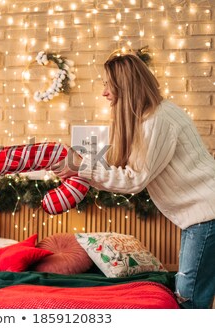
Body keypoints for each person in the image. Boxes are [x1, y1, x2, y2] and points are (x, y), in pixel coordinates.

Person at [52, 53, 215, 309]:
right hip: (201, 216)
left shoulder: (157, 120)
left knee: (189, 299)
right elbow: (127, 169)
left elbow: (133, 180)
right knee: (189, 294)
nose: (105, 93)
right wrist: (82, 164)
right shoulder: (154, 116)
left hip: (206, 216)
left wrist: (81, 168)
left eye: (108, 84)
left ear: (124, 85)